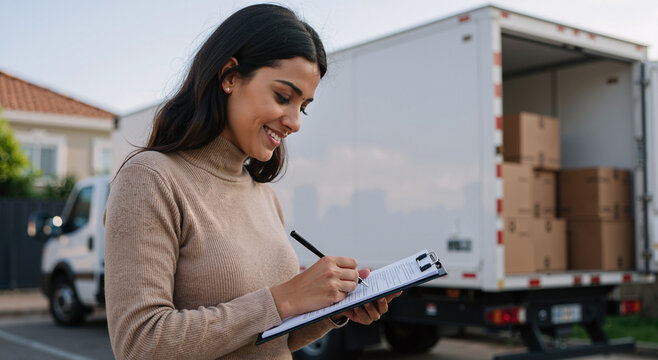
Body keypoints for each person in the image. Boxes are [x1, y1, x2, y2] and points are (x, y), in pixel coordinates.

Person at [103, 4, 400, 359]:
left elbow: (271, 340)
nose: (295, 122)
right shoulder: (151, 179)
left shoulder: (263, 195)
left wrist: (330, 309)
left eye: (303, 106)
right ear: (229, 76)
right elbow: (139, 344)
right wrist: (285, 297)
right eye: (283, 97)